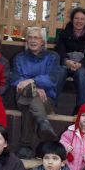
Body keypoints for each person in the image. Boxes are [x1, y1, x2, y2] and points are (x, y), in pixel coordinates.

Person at [11, 27, 61, 159]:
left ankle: (25, 146)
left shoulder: (52, 57)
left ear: (43, 41)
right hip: (21, 96)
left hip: (46, 100)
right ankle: (43, 122)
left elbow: (52, 79)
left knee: (30, 104)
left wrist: (31, 81)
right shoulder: (19, 58)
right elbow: (15, 80)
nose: (32, 40)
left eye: (36, 38)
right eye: (30, 37)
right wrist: (35, 88)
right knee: (31, 93)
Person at [56, 7, 85, 112]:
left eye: (82, 19)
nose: (79, 21)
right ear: (72, 19)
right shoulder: (64, 34)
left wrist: (81, 64)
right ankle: (51, 103)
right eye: (76, 18)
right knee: (59, 72)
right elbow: (59, 51)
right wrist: (66, 61)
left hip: (84, 66)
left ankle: (81, 109)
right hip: (67, 64)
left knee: (81, 73)